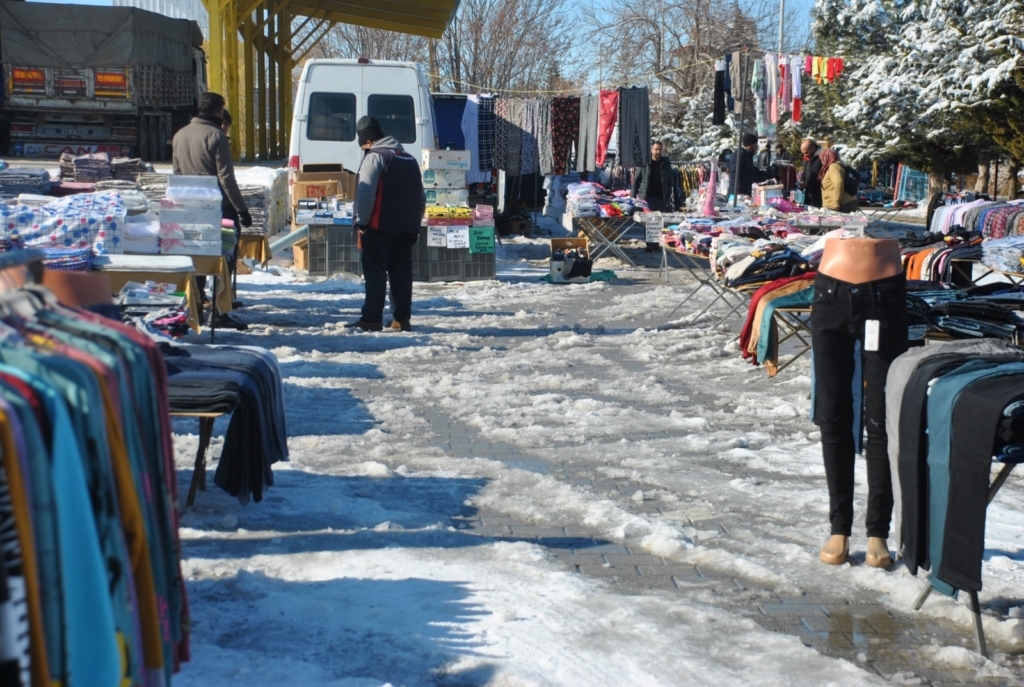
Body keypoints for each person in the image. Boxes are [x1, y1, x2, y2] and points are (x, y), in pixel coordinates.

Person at [172, 91, 251, 329]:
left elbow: (176, 175)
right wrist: (242, 210)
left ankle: (195, 305)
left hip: (188, 208)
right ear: (218, 111)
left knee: (194, 256)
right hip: (218, 209)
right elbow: (226, 178)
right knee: (222, 260)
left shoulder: (179, 135)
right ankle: (220, 311)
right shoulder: (217, 136)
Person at [346, 116, 425, 332]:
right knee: (401, 273)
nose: (363, 150)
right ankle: (402, 318)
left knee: (376, 273)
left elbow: (365, 193)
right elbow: (421, 198)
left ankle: (371, 318)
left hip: (379, 227)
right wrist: (415, 223)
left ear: (369, 141)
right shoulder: (409, 159)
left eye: (363, 146)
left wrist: (361, 222)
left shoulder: (375, 158)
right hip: (407, 229)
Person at [630, 140, 678, 251]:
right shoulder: (645, 163)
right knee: (648, 221)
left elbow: (670, 180)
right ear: (651, 150)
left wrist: (668, 195)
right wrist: (633, 197)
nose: (658, 151)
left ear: (663, 150)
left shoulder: (666, 164)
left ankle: (656, 244)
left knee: (659, 221)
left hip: (661, 197)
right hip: (647, 197)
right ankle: (649, 245)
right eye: (656, 149)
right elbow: (636, 181)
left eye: (660, 149)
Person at [731, 133, 772, 198]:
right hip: (738, 194)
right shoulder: (740, 155)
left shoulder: (747, 155)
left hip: (745, 191)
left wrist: (771, 176)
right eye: (756, 144)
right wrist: (738, 191)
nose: (757, 146)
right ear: (752, 144)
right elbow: (735, 173)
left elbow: (755, 172)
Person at [819, 148, 860, 213]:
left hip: (841, 204)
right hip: (846, 202)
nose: (821, 161)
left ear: (826, 158)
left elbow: (838, 184)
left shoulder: (834, 166)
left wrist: (835, 203)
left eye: (822, 158)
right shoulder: (840, 165)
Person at [800, 138, 824, 207]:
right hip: (808, 194)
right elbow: (805, 172)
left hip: (818, 195)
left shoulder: (821, 157)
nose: (805, 155)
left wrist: (809, 183)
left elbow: (822, 177)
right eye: (803, 153)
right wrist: (802, 181)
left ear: (813, 148)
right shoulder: (807, 158)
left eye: (806, 152)